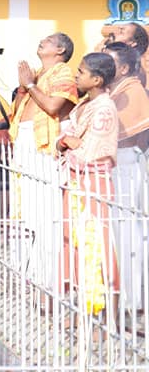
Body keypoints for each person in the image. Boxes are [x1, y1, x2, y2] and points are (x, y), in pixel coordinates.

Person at [9, 32, 78, 293]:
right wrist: (23, 86)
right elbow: (16, 113)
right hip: (24, 142)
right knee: (25, 208)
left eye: (48, 41)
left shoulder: (64, 74)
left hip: (43, 147)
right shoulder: (37, 74)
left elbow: (51, 107)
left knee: (43, 210)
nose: (41, 42)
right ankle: (29, 270)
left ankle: (47, 276)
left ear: (60, 50)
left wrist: (30, 85)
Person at [56, 53, 119, 314]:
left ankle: (108, 313)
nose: (76, 75)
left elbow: (87, 152)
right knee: (74, 241)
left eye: (81, 72)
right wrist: (67, 142)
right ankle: (81, 308)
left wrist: (68, 142)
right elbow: (64, 139)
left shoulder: (104, 108)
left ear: (96, 79)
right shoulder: (84, 104)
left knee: (98, 245)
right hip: (75, 180)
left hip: (94, 182)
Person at [103, 42, 149, 319]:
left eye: (108, 62)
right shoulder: (117, 90)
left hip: (126, 168)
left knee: (128, 235)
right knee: (115, 235)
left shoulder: (132, 91)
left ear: (123, 68)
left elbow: (125, 134)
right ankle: (117, 296)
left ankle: (131, 300)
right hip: (113, 167)